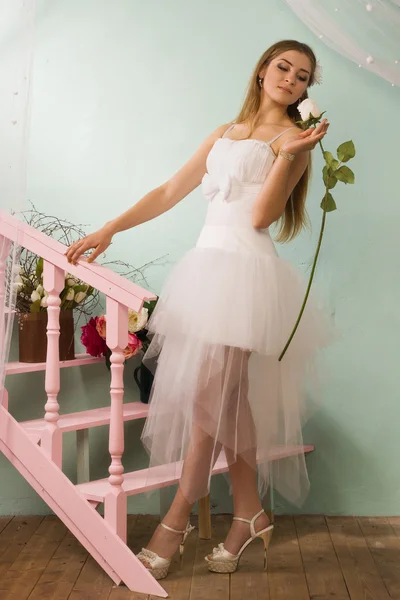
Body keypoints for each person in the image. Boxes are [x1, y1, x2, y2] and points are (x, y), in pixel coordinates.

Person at [66, 39, 331, 580]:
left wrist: (288, 156)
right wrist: (111, 227)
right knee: (229, 401)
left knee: (211, 398)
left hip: (246, 276)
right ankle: (249, 514)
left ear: (306, 91)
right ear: (262, 71)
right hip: (205, 271)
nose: (290, 79)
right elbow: (169, 190)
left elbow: (259, 218)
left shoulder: (294, 143)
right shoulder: (223, 133)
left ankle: (178, 516)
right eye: (283, 67)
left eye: (302, 76)